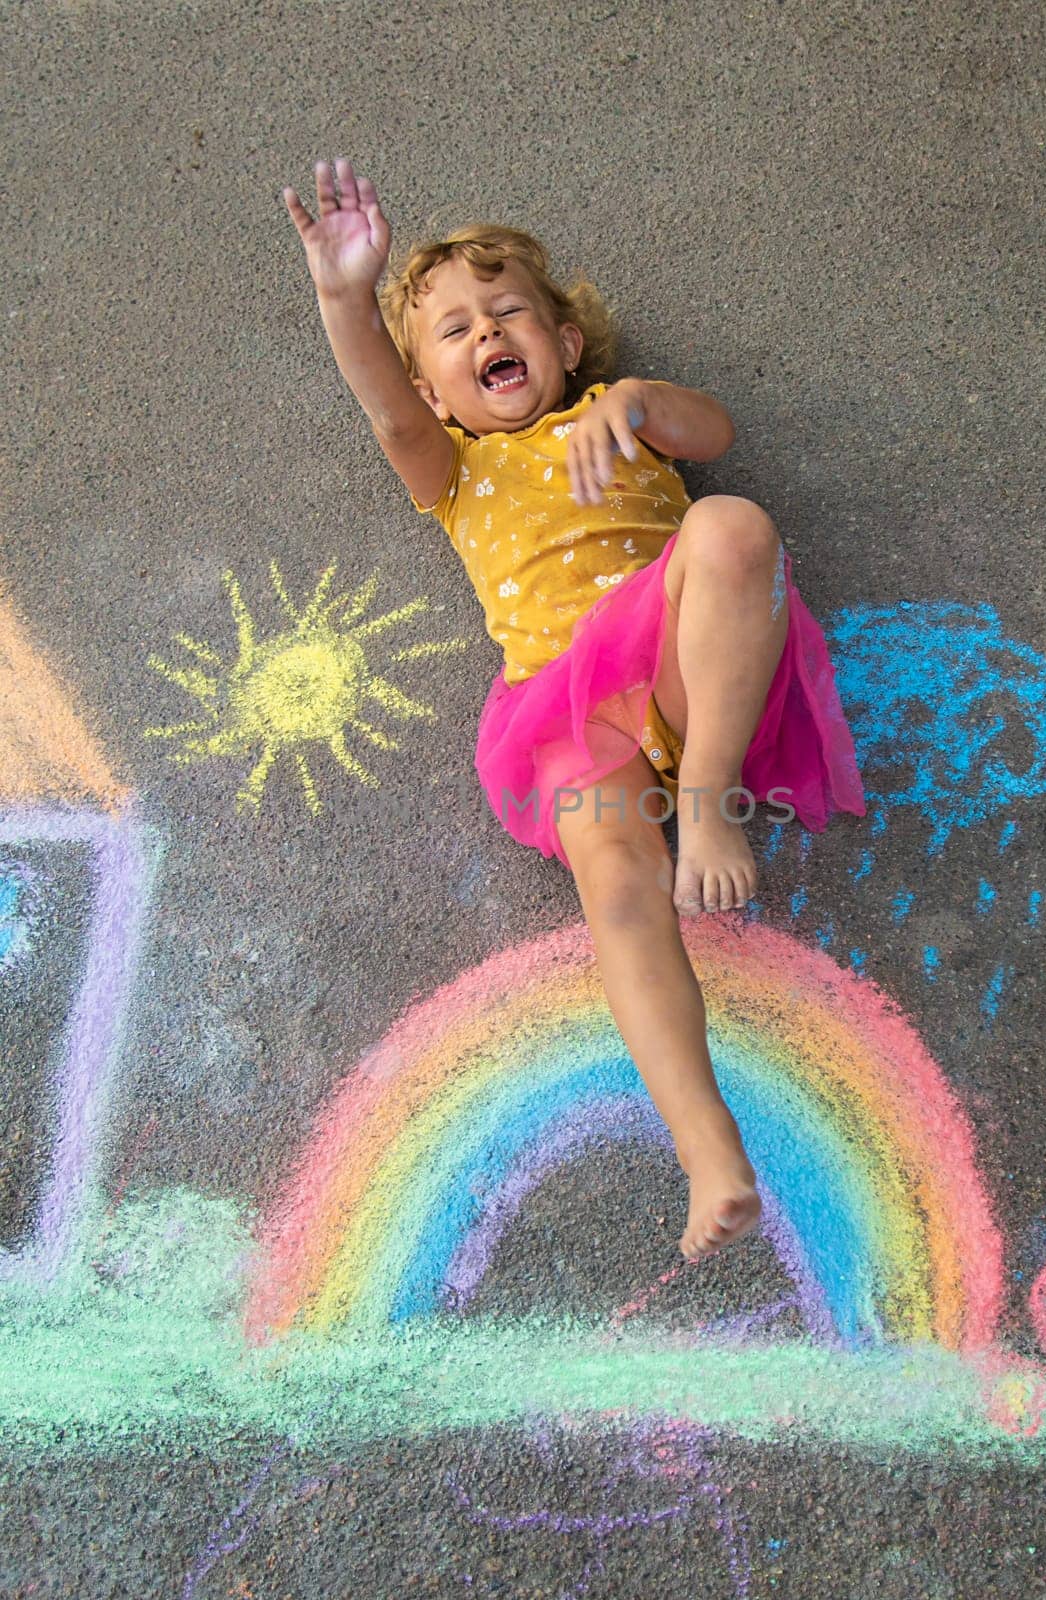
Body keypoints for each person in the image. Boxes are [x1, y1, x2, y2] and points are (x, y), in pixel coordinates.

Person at [281, 157, 866, 1260]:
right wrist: (341, 299)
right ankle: (707, 1151)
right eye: (449, 333)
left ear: (564, 343)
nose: (483, 333)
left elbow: (715, 432)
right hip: (564, 713)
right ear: (432, 390)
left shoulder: (616, 414)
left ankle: (707, 801)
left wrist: (638, 403)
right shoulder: (449, 468)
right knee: (617, 886)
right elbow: (385, 410)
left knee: (732, 525)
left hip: (692, 669)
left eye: (506, 314)